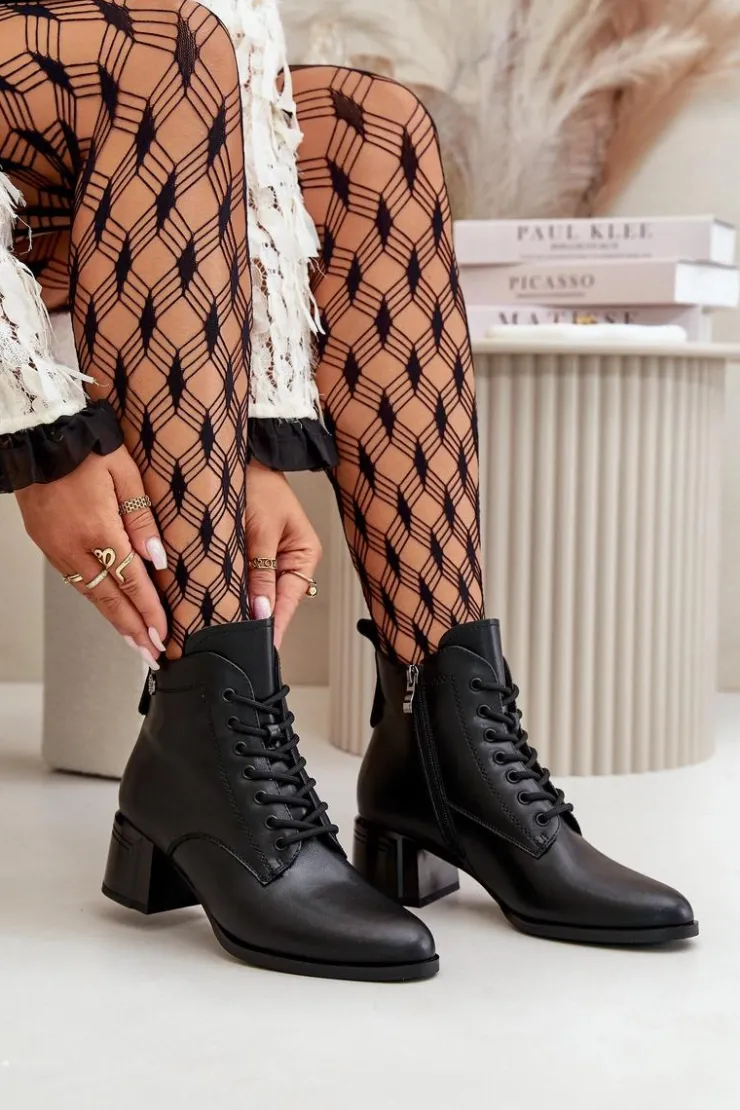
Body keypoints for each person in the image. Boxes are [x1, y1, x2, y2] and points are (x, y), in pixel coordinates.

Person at [0, 0, 698, 982]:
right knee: (152, 53)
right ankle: (208, 730)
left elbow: (242, 69)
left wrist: (249, 438)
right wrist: (37, 430)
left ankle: (448, 735)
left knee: (372, 131)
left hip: (93, 169)